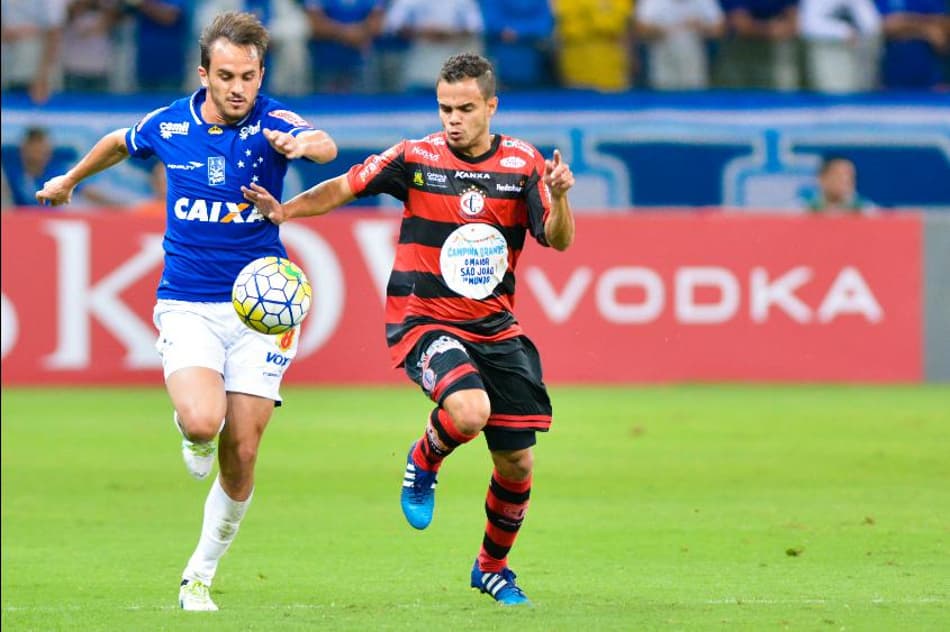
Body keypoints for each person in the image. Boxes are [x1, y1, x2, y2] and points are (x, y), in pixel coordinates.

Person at [244, 52, 575, 606]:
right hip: (423, 319)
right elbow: (345, 186)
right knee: (469, 410)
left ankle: (492, 568)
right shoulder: (416, 157)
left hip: (495, 327)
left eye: (466, 108)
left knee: (517, 462)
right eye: (445, 107)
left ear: (490, 107)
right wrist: (286, 213)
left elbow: (558, 239)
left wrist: (561, 197)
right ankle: (424, 458)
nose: (453, 118)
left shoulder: (523, 164)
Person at [35, 11, 338, 611]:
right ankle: (190, 430)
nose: (238, 89)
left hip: (259, 313)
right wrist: (69, 180)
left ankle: (198, 573)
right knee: (204, 422)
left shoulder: (274, 121)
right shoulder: (171, 124)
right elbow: (119, 142)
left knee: (243, 453)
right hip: (189, 306)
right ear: (204, 73)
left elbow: (323, 146)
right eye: (226, 76)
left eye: (249, 76)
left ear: (260, 74)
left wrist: (300, 145)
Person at [802, 155, 876, 213]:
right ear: (822, 178)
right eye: (838, 176)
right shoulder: (804, 209)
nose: (845, 180)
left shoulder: (865, 210)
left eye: (849, 176)